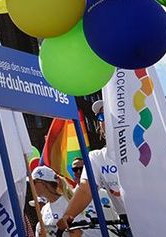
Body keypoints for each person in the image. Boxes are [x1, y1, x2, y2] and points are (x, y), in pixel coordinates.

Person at [56, 101, 127, 234]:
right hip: (127, 224)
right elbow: (85, 189)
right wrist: (68, 215)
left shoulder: (146, 150)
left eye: (110, 115)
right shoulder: (97, 157)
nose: (105, 121)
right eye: (101, 117)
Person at [30, 166, 78, 237]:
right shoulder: (44, 209)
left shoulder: (68, 203)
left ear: (44, 183)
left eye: (34, 182)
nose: (31, 186)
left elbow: (77, 232)